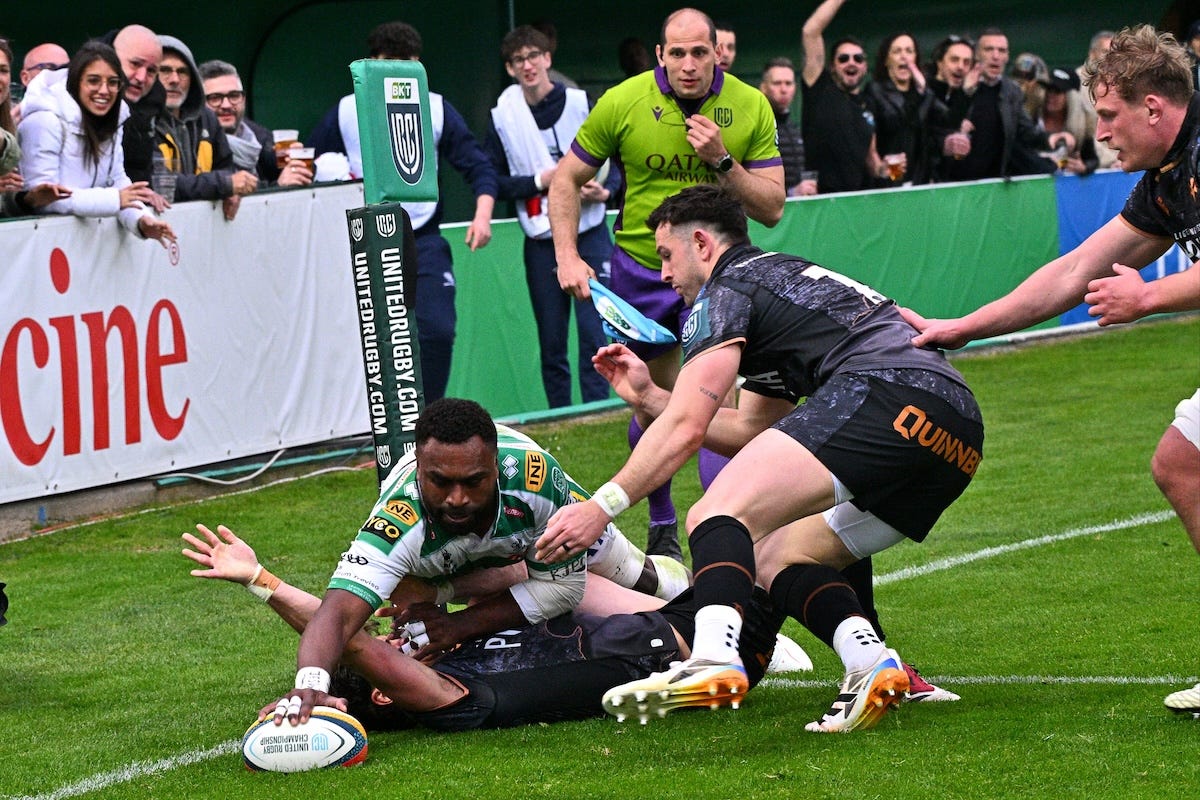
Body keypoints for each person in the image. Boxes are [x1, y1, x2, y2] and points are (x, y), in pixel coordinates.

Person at [537, 184, 983, 731]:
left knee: (715, 513)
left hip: (888, 392)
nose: (663, 275)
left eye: (666, 255)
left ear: (702, 244)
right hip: (955, 430)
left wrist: (601, 507)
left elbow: (687, 427)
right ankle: (871, 662)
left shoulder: (724, 291)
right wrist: (651, 398)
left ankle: (713, 657)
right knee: (777, 556)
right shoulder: (778, 285)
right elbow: (752, 428)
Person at [900, 24, 1199, 716]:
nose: (1103, 133)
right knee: (1181, 463)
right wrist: (964, 327)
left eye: (1111, 115)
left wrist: (1148, 297)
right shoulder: (1165, 177)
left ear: (1154, 107)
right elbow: (1074, 272)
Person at [257, 397, 702, 723]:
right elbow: (338, 613)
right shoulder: (398, 520)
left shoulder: (535, 482)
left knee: (636, 575)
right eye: (440, 481)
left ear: (495, 467)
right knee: (410, 595)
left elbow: (565, 589)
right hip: (457, 562)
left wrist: (456, 624)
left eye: (473, 481)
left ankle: (709, 595)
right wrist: (310, 685)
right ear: (418, 470)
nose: (456, 498)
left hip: (533, 535)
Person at [548, 7, 784, 562]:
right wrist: (567, 256)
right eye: (677, 53)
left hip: (721, 275)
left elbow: (772, 207)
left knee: (716, 404)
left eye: (699, 52)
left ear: (718, 53)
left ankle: (724, 529)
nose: (688, 64)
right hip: (643, 272)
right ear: (660, 55)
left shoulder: (750, 105)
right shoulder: (623, 101)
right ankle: (662, 522)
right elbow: (566, 179)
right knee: (651, 401)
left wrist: (722, 160)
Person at [182, 523, 786, 731]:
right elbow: (352, 638)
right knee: (776, 545)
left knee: (760, 534)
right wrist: (262, 581)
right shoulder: (450, 699)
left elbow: (354, 635)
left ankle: (669, 581)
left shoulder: (443, 661)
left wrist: (441, 605)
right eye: (391, 650)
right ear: (387, 691)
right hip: (675, 653)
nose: (395, 641)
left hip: (645, 620)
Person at [309, 20, 497, 402]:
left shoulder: (435, 107)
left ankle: (432, 420)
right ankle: (375, 424)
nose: (395, 73)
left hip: (422, 236)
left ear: (418, 65)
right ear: (371, 64)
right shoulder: (347, 110)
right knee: (367, 342)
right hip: (363, 240)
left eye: (405, 63)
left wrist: (482, 214)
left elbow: (479, 166)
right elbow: (310, 163)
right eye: (387, 63)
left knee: (437, 330)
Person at [484, 26, 617, 409]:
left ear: (547, 58)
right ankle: (561, 415)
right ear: (510, 68)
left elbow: (619, 157)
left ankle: (596, 411)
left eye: (533, 56)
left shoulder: (580, 103)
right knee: (552, 339)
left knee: (595, 332)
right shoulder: (504, 118)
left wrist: (606, 191)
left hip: (590, 230)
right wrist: (538, 181)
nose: (528, 65)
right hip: (541, 239)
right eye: (518, 60)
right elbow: (493, 180)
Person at [17, 41, 175, 246]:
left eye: (113, 82)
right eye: (93, 81)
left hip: (86, 249)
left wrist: (142, 221)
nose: (104, 90)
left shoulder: (114, 121)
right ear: (76, 82)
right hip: (43, 247)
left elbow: (118, 183)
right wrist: (114, 199)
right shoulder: (44, 120)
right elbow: (42, 200)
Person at [942, 28, 1072, 182]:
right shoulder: (957, 82)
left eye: (1001, 51)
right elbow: (943, 127)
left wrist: (1050, 139)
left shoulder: (1011, 91)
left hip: (996, 182)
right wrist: (965, 93)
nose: (996, 56)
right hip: (956, 181)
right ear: (976, 55)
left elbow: (1026, 132)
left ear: (1007, 56)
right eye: (989, 49)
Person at [153, 36, 254, 220]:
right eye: (165, 70)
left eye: (183, 72)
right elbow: (159, 183)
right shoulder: (139, 121)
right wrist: (224, 185)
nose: (174, 79)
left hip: (202, 226)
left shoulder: (206, 117)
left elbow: (225, 166)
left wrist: (231, 191)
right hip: (154, 226)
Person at [800, 0, 876, 193]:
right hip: (819, 199)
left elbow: (872, 160)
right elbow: (810, 32)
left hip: (855, 200)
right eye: (843, 58)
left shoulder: (868, 104)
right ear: (832, 66)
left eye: (858, 58)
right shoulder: (820, 88)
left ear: (865, 66)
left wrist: (884, 169)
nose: (852, 63)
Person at [198, 59, 312, 187]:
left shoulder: (257, 136)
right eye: (215, 98)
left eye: (234, 96)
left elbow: (302, 174)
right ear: (198, 103)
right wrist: (278, 187)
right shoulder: (195, 145)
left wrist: (297, 162)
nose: (226, 105)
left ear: (243, 99)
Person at [864, 32, 950, 186]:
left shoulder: (924, 93)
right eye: (897, 51)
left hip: (920, 181)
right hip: (889, 179)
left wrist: (925, 90)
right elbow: (899, 125)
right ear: (886, 60)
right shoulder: (875, 90)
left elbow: (946, 120)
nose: (904, 56)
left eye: (909, 51)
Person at [103, 25, 169, 214]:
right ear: (112, 57)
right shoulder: (70, 94)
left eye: (151, 71)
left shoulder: (154, 102)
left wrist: (145, 193)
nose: (141, 77)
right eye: (135, 64)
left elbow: (138, 166)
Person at [760, 57, 816, 196]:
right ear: (764, 88)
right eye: (777, 83)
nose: (784, 89)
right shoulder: (758, 127)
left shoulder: (794, 129)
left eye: (788, 83)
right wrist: (791, 193)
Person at [926, 34, 978, 178]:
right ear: (940, 63)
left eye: (966, 62)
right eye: (954, 60)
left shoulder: (969, 96)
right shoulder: (923, 92)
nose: (960, 67)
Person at [1031, 67, 1099, 175]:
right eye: (1048, 89)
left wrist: (1084, 167)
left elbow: (1092, 159)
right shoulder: (1033, 117)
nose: (1050, 95)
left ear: (1071, 98)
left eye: (1057, 91)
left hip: (1062, 182)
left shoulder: (1080, 125)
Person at [1075, 30, 1116, 169]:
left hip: (1120, 162)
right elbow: (1082, 132)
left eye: (1115, 53)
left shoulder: (1121, 81)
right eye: (1106, 52)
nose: (1111, 58)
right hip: (1093, 165)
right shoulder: (1077, 83)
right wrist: (1111, 160)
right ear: (1092, 53)